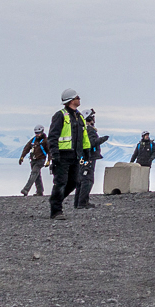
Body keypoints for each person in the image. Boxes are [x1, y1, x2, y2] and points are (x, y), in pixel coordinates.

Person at [47, 89, 91, 218]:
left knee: (73, 182)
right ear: (71, 100)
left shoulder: (79, 117)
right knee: (60, 183)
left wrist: (86, 152)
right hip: (62, 156)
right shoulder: (60, 115)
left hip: (75, 156)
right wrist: (55, 155)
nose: (79, 99)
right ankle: (56, 211)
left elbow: (84, 137)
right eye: (77, 97)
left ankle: (56, 200)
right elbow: (53, 137)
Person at [77, 108, 107, 208]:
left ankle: (78, 202)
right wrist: (102, 139)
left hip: (83, 157)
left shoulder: (81, 129)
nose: (94, 119)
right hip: (88, 157)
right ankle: (82, 203)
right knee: (87, 179)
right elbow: (91, 143)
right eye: (92, 117)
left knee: (81, 179)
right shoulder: (89, 130)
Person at [18, 126, 48, 197]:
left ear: (42, 132)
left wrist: (49, 160)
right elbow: (27, 148)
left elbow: (49, 151)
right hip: (33, 160)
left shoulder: (45, 141)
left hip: (40, 160)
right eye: (36, 133)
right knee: (37, 176)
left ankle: (26, 189)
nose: (37, 134)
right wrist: (22, 156)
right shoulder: (33, 140)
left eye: (38, 133)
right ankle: (40, 191)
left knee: (34, 174)